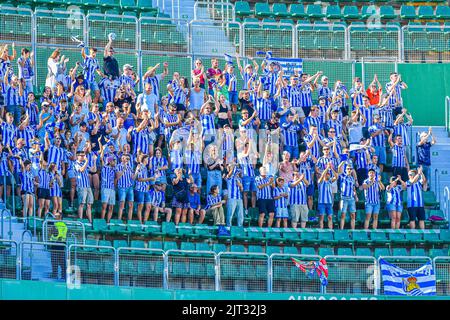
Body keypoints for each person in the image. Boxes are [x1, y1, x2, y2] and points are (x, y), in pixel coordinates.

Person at [74, 150, 94, 222]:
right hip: (81, 186)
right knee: (82, 204)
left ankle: (90, 221)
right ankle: (80, 220)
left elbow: (93, 170)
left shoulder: (84, 163)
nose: (83, 157)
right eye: (81, 155)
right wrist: (86, 161)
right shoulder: (76, 163)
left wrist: (94, 161)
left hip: (87, 186)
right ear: (77, 156)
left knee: (89, 204)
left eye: (84, 155)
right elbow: (81, 170)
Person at [317, 162, 338, 229]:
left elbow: (336, 177)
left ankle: (330, 230)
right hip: (322, 202)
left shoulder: (330, 181)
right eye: (327, 174)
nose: (328, 175)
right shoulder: (320, 181)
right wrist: (326, 168)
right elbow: (322, 175)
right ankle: (321, 230)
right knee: (322, 217)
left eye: (328, 174)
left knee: (330, 217)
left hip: (329, 202)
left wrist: (331, 169)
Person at [339, 165, 357, 230]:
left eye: (350, 169)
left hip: (351, 198)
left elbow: (353, 188)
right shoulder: (342, 176)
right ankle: (341, 229)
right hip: (344, 198)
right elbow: (339, 169)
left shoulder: (352, 178)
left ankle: (353, 230)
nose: (349, 170)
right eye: (348, 169)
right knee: (343, 214)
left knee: (353, 215)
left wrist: (356, 196)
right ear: (345, 170)